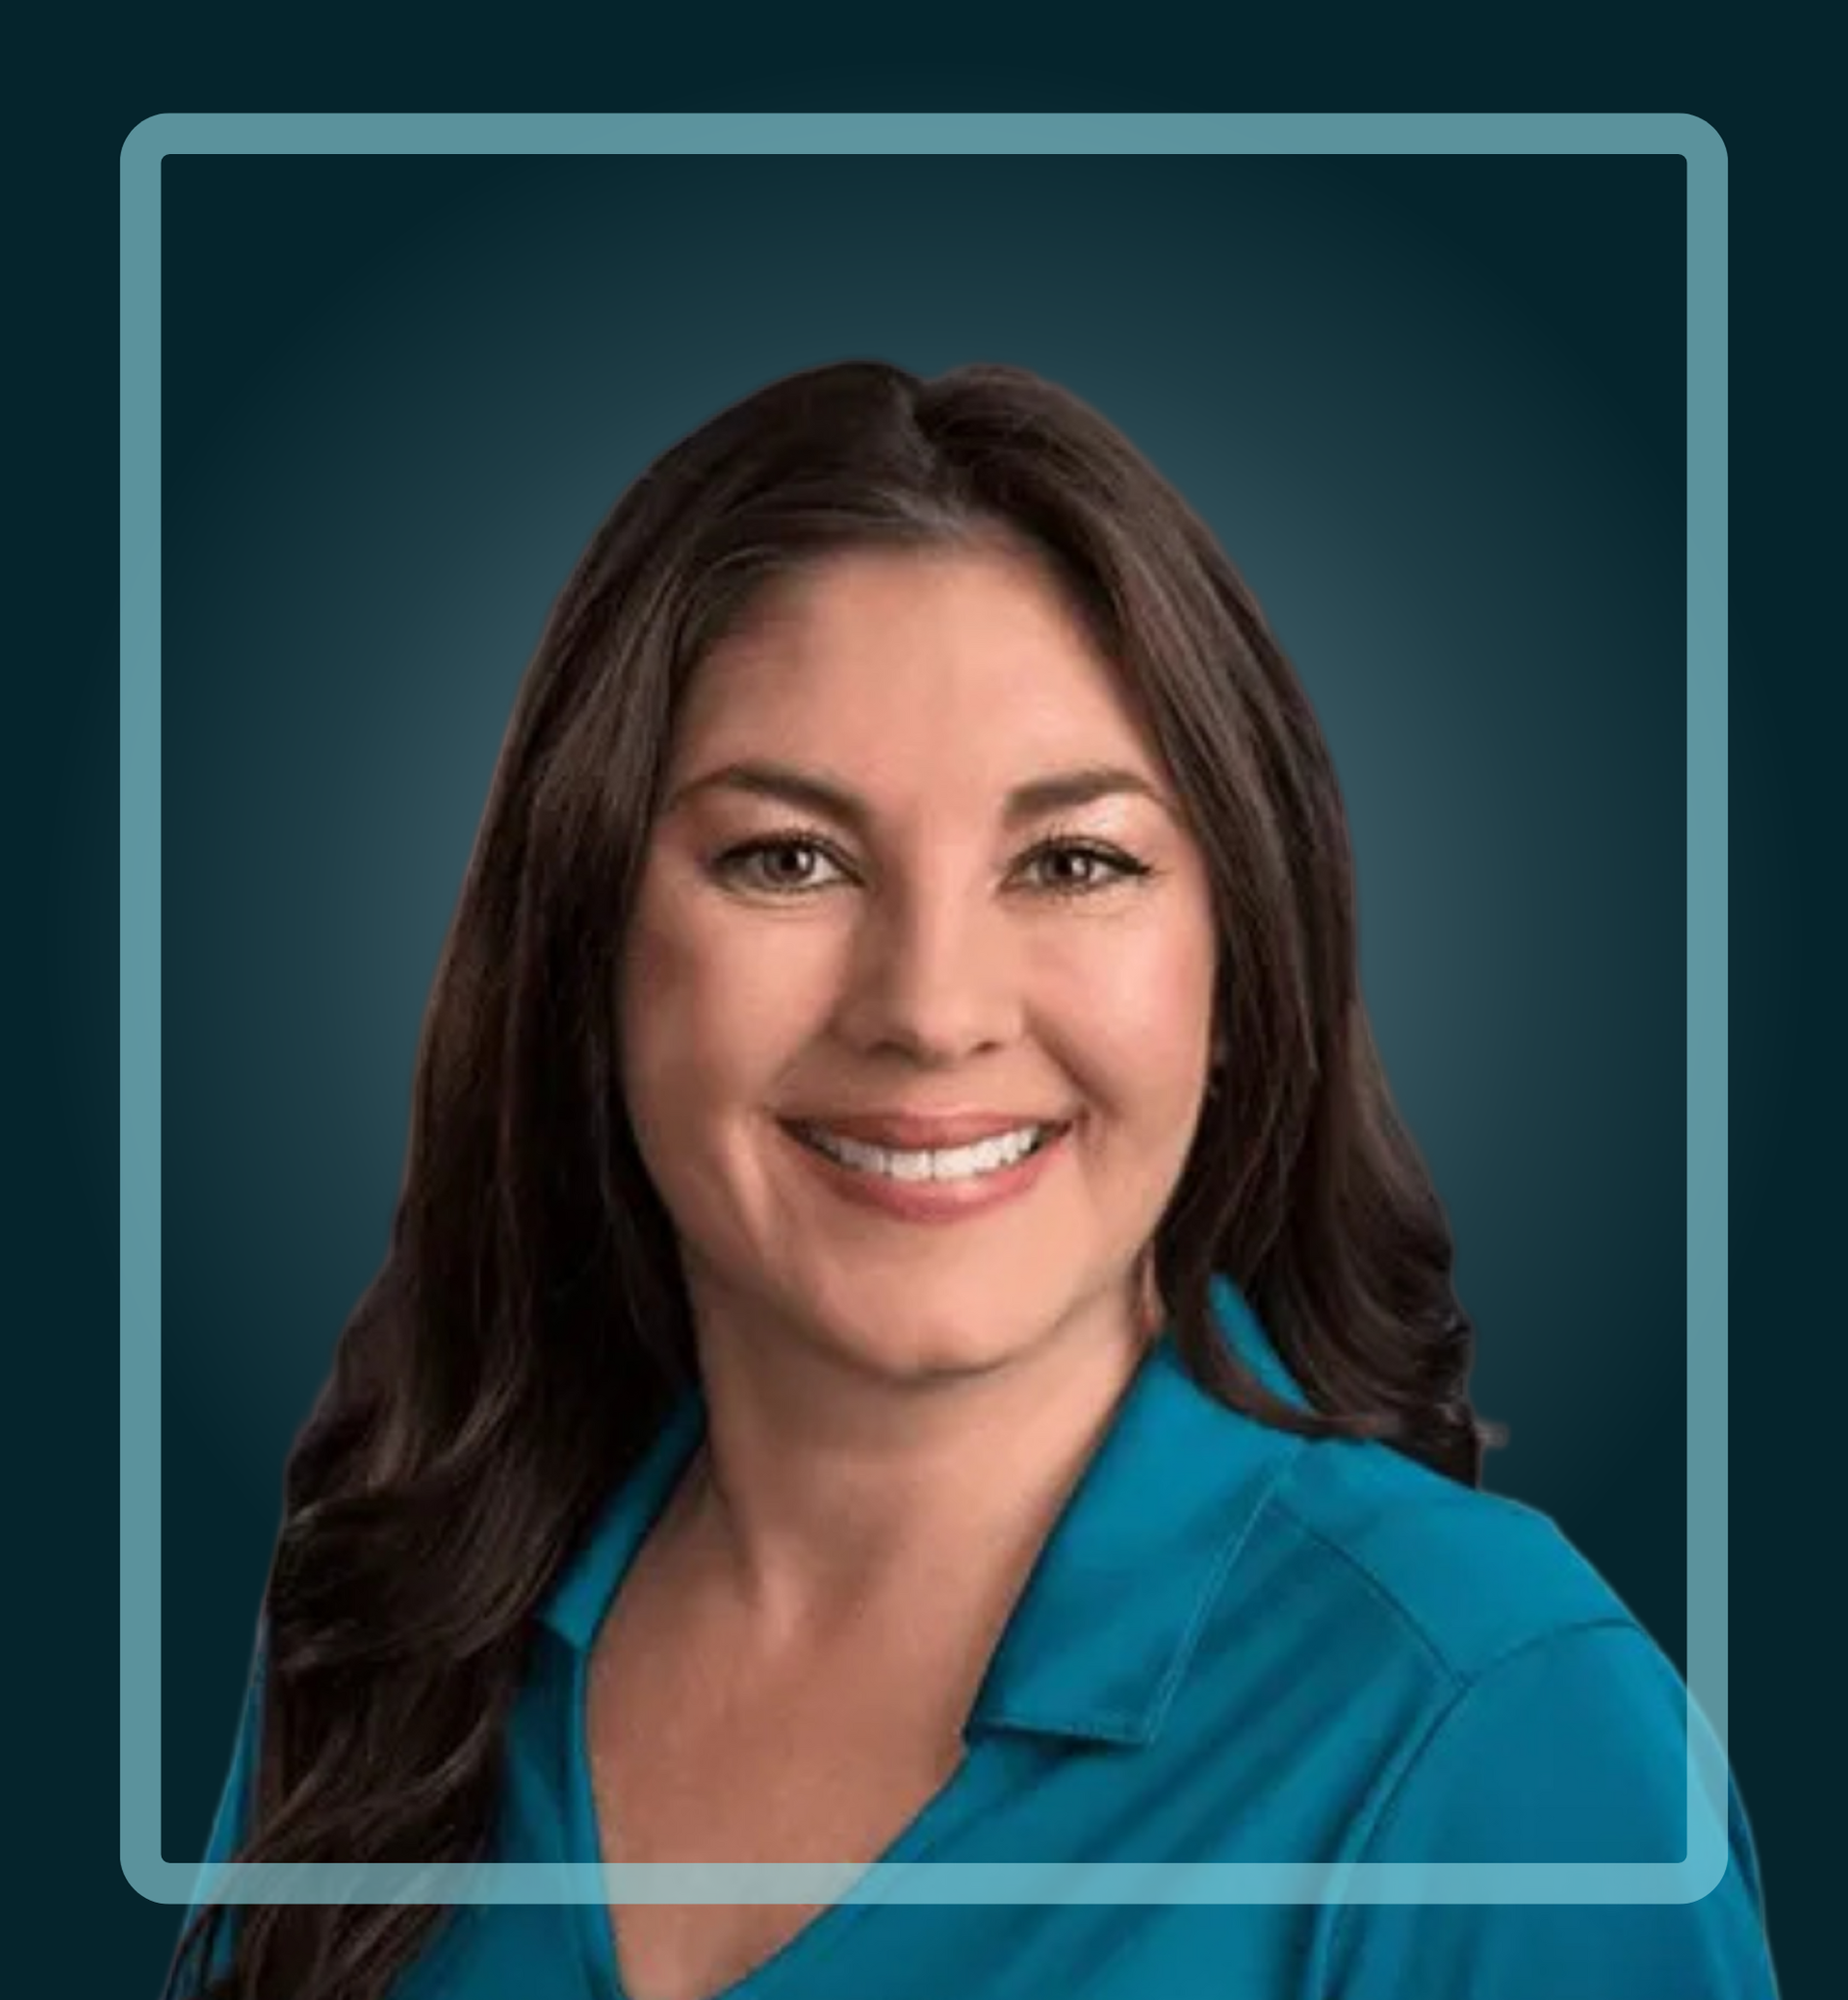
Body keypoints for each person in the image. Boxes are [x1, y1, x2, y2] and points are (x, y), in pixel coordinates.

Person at [167, 360, 1780, 2000]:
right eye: (788, 858)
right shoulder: (406, 1613)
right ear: (588, 952)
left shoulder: (1494, 1728)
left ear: (1240, 974)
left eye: (1072, 863)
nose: (931, 1012)